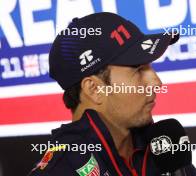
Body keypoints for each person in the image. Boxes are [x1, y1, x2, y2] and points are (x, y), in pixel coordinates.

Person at [28, 12, 179, 176]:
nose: (156, 83)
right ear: (94, 89)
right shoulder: (60, 171)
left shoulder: (166, 154)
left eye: (150, 67)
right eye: (139, 69)